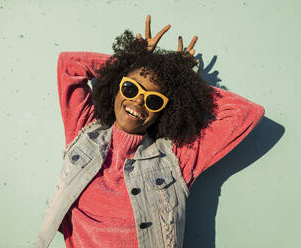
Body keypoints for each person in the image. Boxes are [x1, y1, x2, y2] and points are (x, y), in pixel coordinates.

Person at [36, 15, 264, 248]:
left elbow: (246, 112)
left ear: (164, 109)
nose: (138, 101)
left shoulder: (178, 158)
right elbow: (69, 65)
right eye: (130, 87)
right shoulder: (84, 130)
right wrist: (134, 60)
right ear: (116, 88)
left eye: (154, 100)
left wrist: (179, 80)